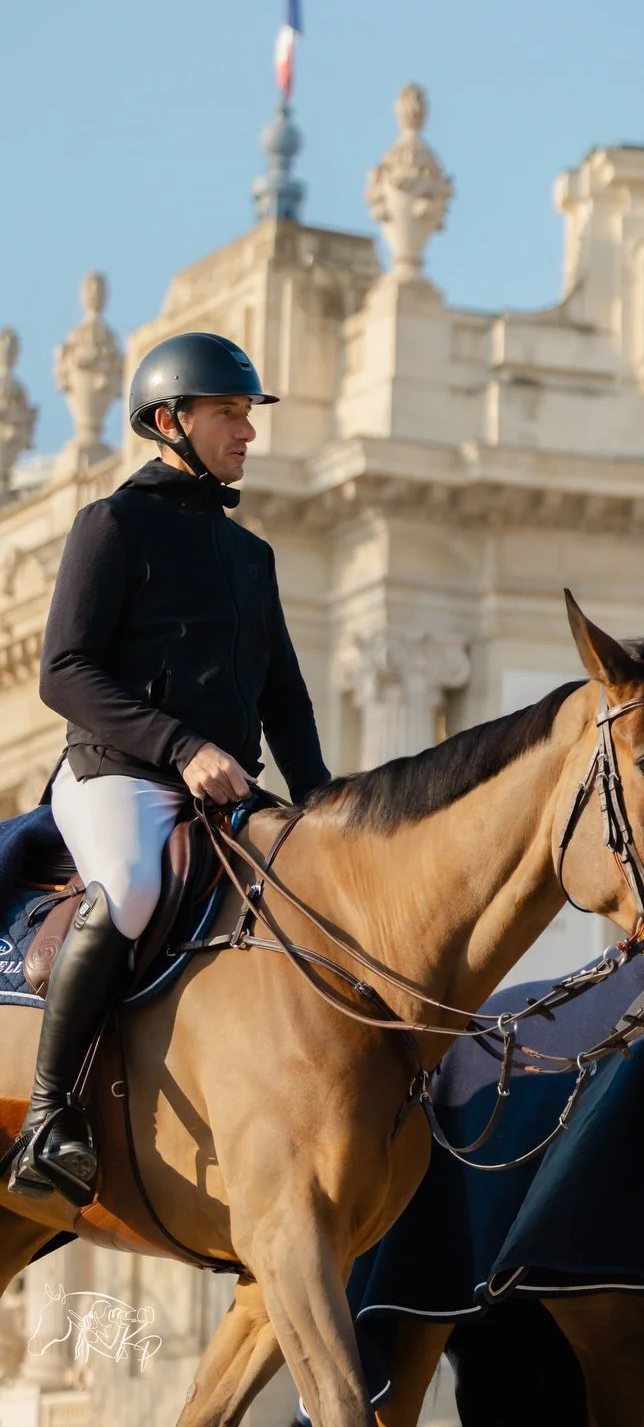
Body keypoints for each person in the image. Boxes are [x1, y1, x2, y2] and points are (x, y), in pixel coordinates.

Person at [13, 333, 330, 1205]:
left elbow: (288, 702)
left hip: (224, 792)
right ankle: (48, 1117)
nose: (247, 433)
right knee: (130, 888)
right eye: (229, 413)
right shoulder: (111, 524)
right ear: (168, 421)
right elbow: (63, 673)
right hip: (117, 777)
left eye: (247, 415)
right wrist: (182, 748)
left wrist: (328, 809)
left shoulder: (250, 556)